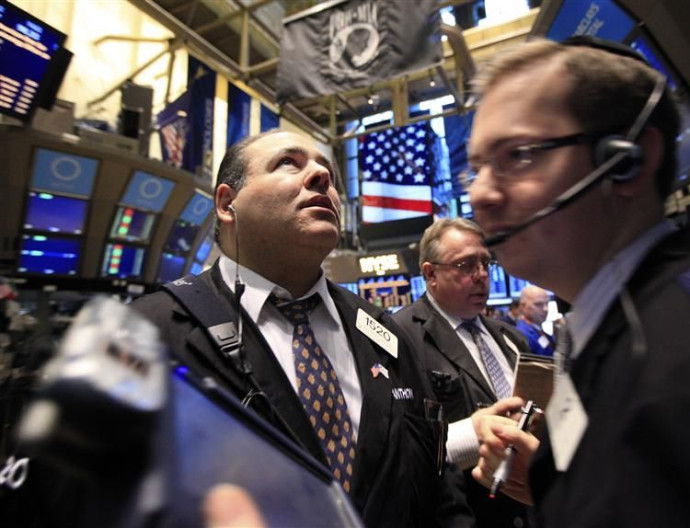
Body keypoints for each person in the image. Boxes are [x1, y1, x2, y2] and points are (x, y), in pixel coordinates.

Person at [133, 129, 472, 527]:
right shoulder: (148, 332)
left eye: (326, 169)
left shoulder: (383, 333)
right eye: (288, 163)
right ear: (227, 204)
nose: (321, 177)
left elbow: (440, 494)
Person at [466, 36, 690, 527]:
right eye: (476, 167)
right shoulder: (622, 327)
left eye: (519, 155)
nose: (480, 194)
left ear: (627, 160)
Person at [392, 218, 532, 528]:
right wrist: (475, 434)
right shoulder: (400, 338)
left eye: (485, 263)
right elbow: (400, 450)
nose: (482, 275)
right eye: (466, 265)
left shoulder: (510, 337)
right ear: (431, 274)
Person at [516, 285, 554, 356]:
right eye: (538, 304)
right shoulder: (522, 336)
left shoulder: (538, 330)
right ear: (523, 306)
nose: (546, 309)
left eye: (547, 303)